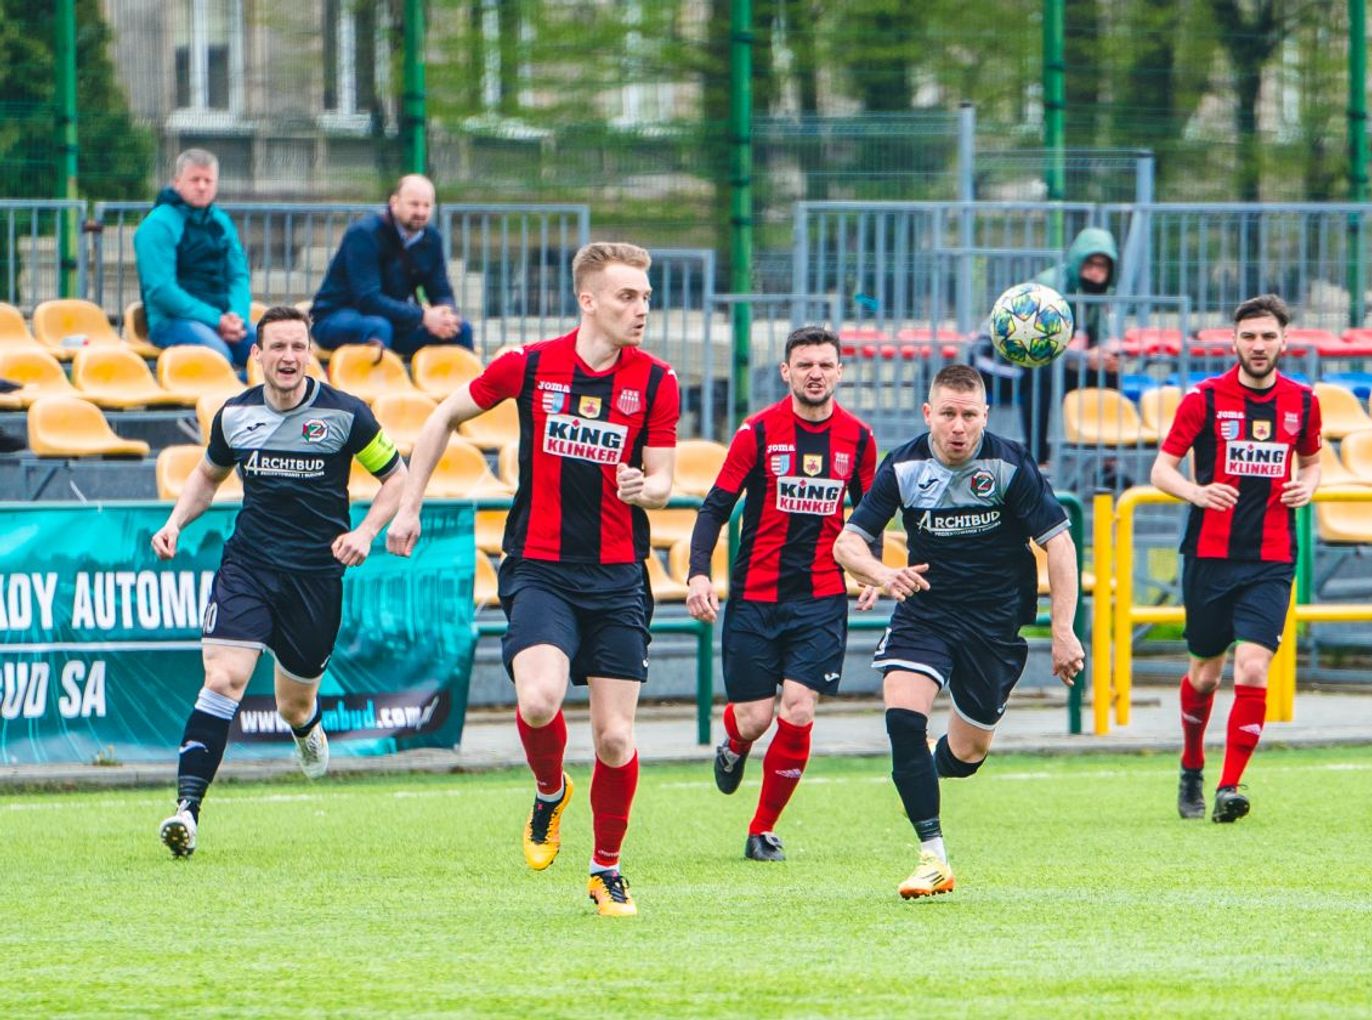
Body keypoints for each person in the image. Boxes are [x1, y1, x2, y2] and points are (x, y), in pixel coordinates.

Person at [386, 242, 678, 918]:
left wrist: (648, 488)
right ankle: (550, 790)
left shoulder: (657, 381)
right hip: (540, 567)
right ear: (588, 300)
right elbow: (442, 417)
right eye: (627, 296)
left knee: (614, 738)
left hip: (618, 577)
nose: (641, 308)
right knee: (540, 701)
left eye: (645, 296)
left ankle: (606, 870)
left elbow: (664, 480)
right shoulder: (532, 364)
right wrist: (408, 506)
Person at [152, 306, 407, 857]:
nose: (288, 357)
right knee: (223, 678)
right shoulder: (234, 415)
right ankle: (187, 810)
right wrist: (174, 523)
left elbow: (396, 477)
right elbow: (207, 476)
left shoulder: (347, 414)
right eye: (278, 347)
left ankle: (305, 727)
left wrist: (366, 532)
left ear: (309, 352)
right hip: (249, 566)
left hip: (315, 578)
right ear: (257, 354)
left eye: (298, 346)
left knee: (293, 703)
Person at [833, 364, 1085, 899]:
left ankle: (926, 766)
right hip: (927, 612)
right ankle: (934, 858)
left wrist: (1063, 629)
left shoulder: (1009, 464)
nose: (958, 426)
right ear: (928, 413)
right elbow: (847, 543)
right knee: (903, 718)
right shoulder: (903, 466)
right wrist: (883, 573)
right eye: (947, 413)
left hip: (994, 623)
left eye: (969, 415)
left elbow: (1059, 545)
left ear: (985, 416)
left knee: (967, 755)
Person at [684, 325, 879, 863]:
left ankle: (761, 829)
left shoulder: (859, 439)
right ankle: (735, 744)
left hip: (821, 600)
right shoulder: (757, 432)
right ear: (786, 372)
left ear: (839, 372)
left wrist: (869, 570)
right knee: (754, 718)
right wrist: (698, 573)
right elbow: (715, 508)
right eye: (805, 364)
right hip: (755, 597)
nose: (816, 374)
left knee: (798, 707)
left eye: (825, 364)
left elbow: (870, 514)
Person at [1150, 293, 1322, 824]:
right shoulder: (1203, 399)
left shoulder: (1303, 402)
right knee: (1205, 673)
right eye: (1249, 336)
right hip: (1210, 556)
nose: (1259, 345)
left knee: (1252, 665)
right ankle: (1192, 766)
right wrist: (1196, 493)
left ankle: (1230, 786)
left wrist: (1308, 485)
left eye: (1268, 336)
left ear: (1284, 341)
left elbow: (1313, 460)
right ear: (1234, 341)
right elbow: (1161, 470)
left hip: (1272, 559)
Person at [976, 227, 1120, 466]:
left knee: (1108, 371)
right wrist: (1086, 358)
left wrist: (1108, 356)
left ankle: (1107, 459)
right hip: (996, 360)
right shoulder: (1050, 287)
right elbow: (1036, 347)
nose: (1095, 272)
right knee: (1041, 373)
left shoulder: (1093, 293)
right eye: (1089, 264)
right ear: (1077, 262)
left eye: (1102, 266)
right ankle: (1038, 459)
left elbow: (1100, 339)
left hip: (1040, 359)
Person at [310, 174, 472, 360]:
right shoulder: (364, 234)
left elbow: (441, 289)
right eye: (414, 204)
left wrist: (445, 314)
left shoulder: (431, 238)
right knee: (378, 327)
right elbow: (368, 299)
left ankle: (467, 381)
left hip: (395, 321)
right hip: (337, 317)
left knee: (460, 329)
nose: (421, 212)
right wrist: (423, 316)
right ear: (394, 203)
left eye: (427, 205)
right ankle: (372, 379)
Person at [134, 148, 254, 365]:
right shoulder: (157, 225)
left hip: (224, 319)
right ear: (177, 182)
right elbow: (161, 289)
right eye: (195, 180)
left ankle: (246, 387)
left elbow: (238, 275)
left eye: (208, 181)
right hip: (172, 321)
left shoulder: (221, 221)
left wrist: (237, 317)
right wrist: (216, 320)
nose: (202, 186)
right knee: (216, 357)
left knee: (275, 351)